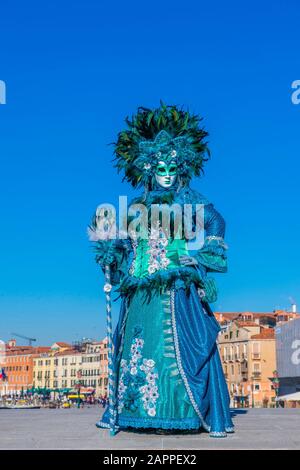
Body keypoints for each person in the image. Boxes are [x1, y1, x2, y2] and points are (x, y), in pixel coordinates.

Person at [89, 103, 234, 437]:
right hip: (140, 293)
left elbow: (216, 221)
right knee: (134, 347)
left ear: (180, 168)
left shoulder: (188, 199)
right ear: (149, 170)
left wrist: (203, 258)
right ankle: (126, 411)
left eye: (172, 167)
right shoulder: (137, 208)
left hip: (175, 288)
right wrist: (110, 257)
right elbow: (122, 243)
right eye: (160, 168)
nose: (167, 174)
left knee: (183, 348)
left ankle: (185, 414)